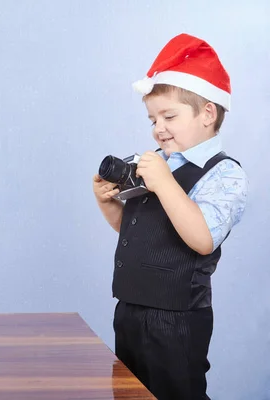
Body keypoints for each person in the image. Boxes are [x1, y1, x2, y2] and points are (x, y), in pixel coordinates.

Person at [92, 33, 248, 399]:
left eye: (169, 116)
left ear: (208, 113)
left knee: (175, 391)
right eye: (152, 118)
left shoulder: (223, 173)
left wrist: (163, 182)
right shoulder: (157, 163)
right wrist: (108, 203)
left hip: (177, 316)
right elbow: (139, 230)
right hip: (130, 308)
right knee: (129, 391)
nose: (158, 127)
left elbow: (202, 238)